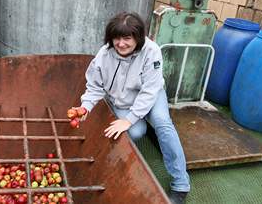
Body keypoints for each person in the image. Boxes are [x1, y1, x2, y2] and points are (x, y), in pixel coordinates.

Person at [76, 12, 190, 204]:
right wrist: (85, 107)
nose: (121, 43)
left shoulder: (151, 51)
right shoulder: (105, 54)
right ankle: (127, 164)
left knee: (162, 123)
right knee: (136, 132)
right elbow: (95, 86)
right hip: (122, 100)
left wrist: (129, 118)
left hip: (150, 95)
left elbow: (150, 90)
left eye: (127, 38)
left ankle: (181, 183)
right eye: (116, 38)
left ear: (138, 37)